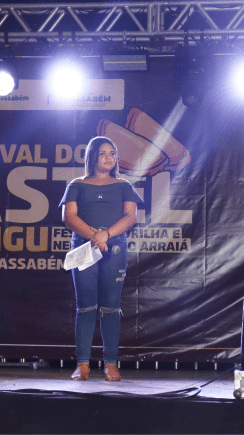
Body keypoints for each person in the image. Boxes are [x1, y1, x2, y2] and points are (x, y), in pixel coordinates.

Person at [59, 136, 143, 381]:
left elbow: (130, 217)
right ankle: (82, 364)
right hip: (84, 248)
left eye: (112, 153)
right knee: (85, 305)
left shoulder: (124, 185)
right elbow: (69, 217)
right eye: (103, 153)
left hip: (114, 248)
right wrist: (95, 237)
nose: (109, 157)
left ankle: (110, 363)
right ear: (92, 156)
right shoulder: (77, 184)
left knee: (110, 306)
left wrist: (106, 235)